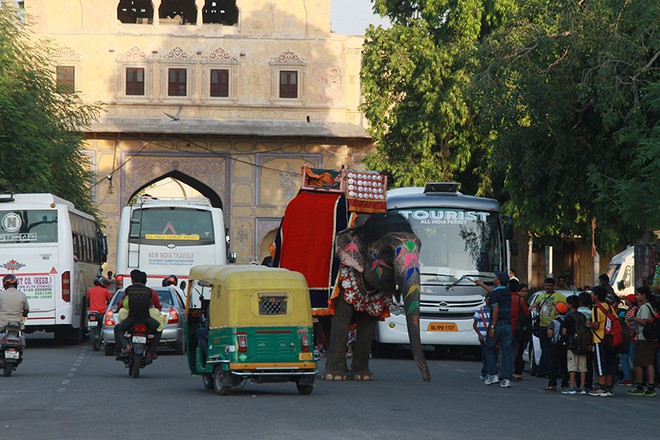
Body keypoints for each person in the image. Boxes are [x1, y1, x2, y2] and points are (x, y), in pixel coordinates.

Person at [474, 271, 513, 388]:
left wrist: (492, 327)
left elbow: (495, 310)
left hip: (496, 324)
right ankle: (506, 379)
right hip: (507, 325)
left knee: (489, 349)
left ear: (499, 280)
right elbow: (493, 291)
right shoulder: (507, 292)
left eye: (496, 277)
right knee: (506, 352)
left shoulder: (494, 295)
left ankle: (492, 374)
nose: (494, 279)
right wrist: (481, 284)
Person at [114, 270, 162, 360]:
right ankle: (150, 352)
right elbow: (151, 306)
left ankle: (127, 346)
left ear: (132, 280)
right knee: (158, 330)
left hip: (131, 318)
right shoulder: (149, 291)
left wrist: (117, 310)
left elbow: (122, 302)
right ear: (145, 281)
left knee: (120, 330)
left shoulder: (129, 289)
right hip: (146, 319)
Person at [531, 278, 566, 378]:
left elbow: (567, 304)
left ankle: (550, 371)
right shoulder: (541, 296)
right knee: (545, 349)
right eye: (546, 285)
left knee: (552, 350)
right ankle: (543, 370)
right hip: (542, 326)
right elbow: (536, 304)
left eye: (549, 286)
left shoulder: (559, 296)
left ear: (554, 286)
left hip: (554, 327)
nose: (547, 287)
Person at [627, 286, 657, 397]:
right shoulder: (649, 306)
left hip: (644, 339)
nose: (636, 297)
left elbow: (644, 322)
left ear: (644, 296)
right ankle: (649, 385)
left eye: (638, 294)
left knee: (640, 363)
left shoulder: (644, 307)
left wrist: (633, 319)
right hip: (647, 338)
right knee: (648, 362)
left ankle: (642, 385)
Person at [587, 286, 617, 397]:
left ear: (596, 296)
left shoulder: (596, 308)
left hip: (599, 339)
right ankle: (608, 388)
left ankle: (601, 387)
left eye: (592, 294)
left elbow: (596, 325)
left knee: (600, 364)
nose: (591, 296)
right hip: (611, 339)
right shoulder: (609, 307)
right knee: (610, 363)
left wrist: (588, 324)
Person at [561, 295, 588, 394]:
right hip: (583, 344)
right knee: (582, 367)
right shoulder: (582, 316)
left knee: (572, 366)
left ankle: (572, 386)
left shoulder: (568, 316)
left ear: (570, 304)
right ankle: (582, 387)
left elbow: (564, 331)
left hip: (572, 343)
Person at [510, 279, 531, 380]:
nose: (525, 293)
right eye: (523, 291)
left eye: (526, 291)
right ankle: (515, 372)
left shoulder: (508, 298)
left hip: (511, 328)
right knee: (517, 351)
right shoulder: (520, 300)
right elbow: (527, 314)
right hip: (519, 330)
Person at [545, 302, 568, 392]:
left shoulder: (554, 322)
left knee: (553, 365)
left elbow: (550, 334)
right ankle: (565, 384)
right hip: (564, 346)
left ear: (558, 311)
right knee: (564, 365)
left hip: (555, 345)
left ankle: (552, 384)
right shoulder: (567, 320)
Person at [473, 295, 491, 381]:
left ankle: (489, 372)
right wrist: (480, 335)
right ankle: (485, 373)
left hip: (491, 337)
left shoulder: (495, 311)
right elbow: (475, 324)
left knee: (491, 356)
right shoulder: (480, 311)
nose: (489, 300)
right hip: (483, 337)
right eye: (488, 298)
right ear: (485, 299)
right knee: (485, 356)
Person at [622, 293, 639, 386]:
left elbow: (632, 325)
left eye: (627, 299)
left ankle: (634, 378)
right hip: (629, 337)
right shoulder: (630, 310)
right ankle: (628, 378)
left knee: (632, 359)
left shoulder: (633, 310)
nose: (625, 301)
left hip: (631, 338)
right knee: (626, 357)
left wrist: (631, 334)